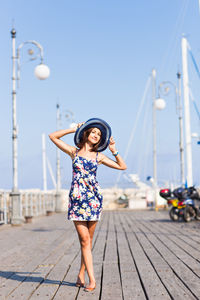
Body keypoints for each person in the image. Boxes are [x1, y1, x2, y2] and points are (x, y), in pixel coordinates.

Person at [49, 118, 127, 292]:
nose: (96, 136)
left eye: (99, 134)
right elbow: (52, 136)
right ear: (86, 134)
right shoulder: (73, 152)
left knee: (88, 242)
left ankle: (81, 273)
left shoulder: (99, 156)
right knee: (84, 240)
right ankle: (93, 280)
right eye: (93, 132)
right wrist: (73, 129)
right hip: (77, 200)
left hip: (93, 200)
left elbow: (122, 167)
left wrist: (115, 151)